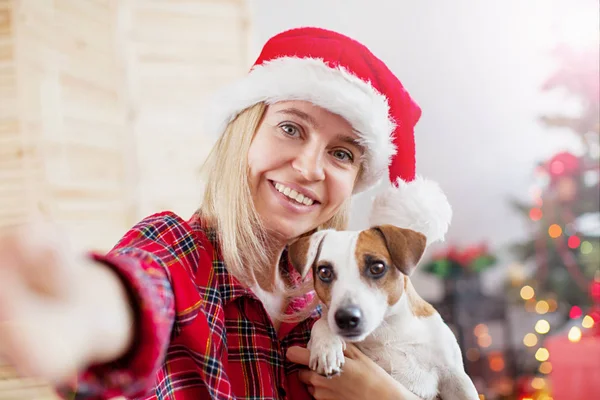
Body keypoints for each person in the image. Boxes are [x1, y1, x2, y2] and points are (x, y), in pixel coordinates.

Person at [0, 27, 450, 400]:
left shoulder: (345, 307)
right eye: (291, 128)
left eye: (342, 153)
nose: (310, 168)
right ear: (245, 133)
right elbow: (140, 289)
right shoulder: (177, 250)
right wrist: (83, 306)